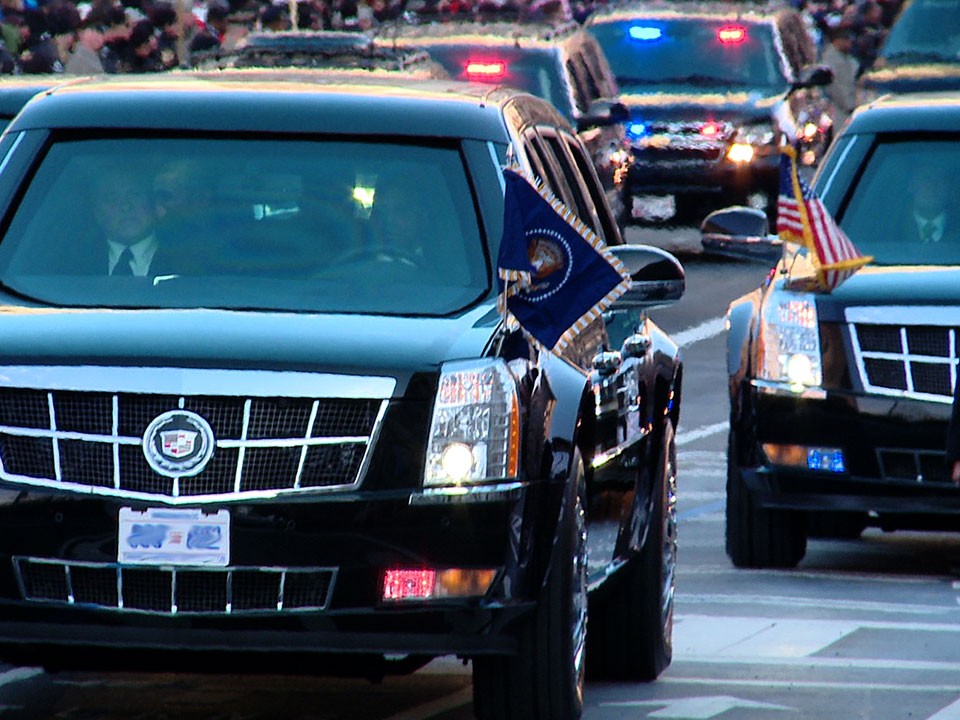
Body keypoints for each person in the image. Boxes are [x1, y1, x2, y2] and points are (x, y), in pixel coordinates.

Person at [902, 164, 960, 245]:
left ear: (950, 189)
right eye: (926, 179)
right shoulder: (888, 230)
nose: (932, 186)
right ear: (911, 186)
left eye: (941, 179)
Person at [820, 22, 859, 130]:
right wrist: (849, 105)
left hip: (853, 106)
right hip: (839, 108)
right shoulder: (830, 60)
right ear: (838, 40)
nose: (850, 43)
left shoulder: (848, 58)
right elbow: (835, 87)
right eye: (846, 40)